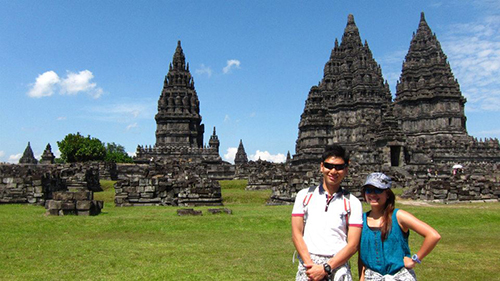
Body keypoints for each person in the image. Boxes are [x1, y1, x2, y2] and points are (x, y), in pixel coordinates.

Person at [292, 144, 363, 281]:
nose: (333, 171)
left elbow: (353, 244)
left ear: (346, 170)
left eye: (339, 167)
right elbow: (296, 234)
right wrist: (311, 266)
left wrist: (326, 268)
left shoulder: (353, 202)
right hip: (309, 267)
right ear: (321, 167)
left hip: (337, 266)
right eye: (329, 166)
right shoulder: (304, 196)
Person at [358, 172, 441, 281]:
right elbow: (362, 255)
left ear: (387, 194)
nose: (373, 194)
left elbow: (433, 235)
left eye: (378, 190)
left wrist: (415, 259)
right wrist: (361, 277)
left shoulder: (398, 216)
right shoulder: (360, 220)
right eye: (369, 190)